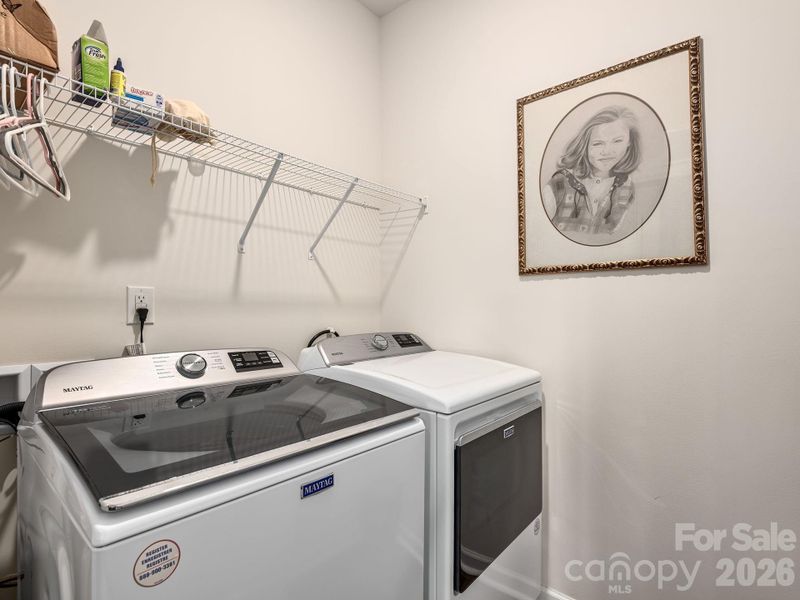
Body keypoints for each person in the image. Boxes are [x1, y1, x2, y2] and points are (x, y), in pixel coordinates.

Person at [542, 106, 641, 237]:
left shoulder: (626, 187)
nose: (607, 151)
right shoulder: (559, 184)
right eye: (598, 143)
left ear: (629, 142)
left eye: (617, 141)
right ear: (585, 145)